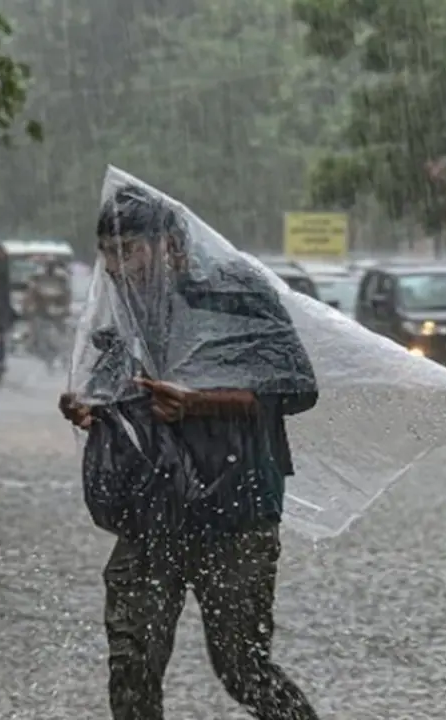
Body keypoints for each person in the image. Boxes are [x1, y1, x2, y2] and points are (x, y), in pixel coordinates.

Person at [59, 186, 321, 720]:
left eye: (128, 251)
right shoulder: (125, 310)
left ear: (172, 246)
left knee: (242, 669)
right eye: (106, 254)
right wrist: (90, 409)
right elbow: (118, 391)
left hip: (235, 509)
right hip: (151, 510)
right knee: (131, 664)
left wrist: (199, 403)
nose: (116, 268)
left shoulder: (235, 293)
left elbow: (297, 388)